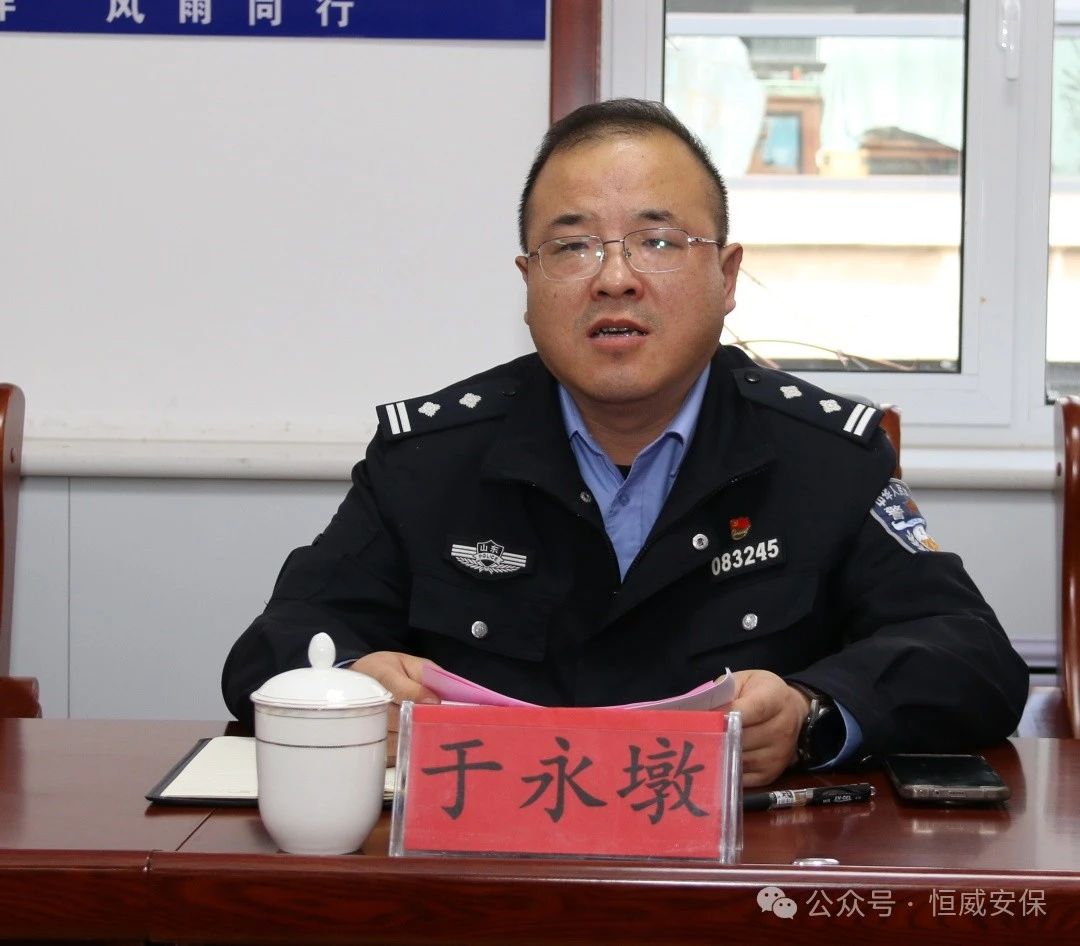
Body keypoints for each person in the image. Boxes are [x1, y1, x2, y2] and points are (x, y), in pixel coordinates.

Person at [222, 98, 1028, 786]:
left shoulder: (825, 457)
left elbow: (971, 657)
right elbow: (275, 644)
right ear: (529, 283)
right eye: (572, 246)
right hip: (491, 867)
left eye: (659, 241)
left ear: (727, 278)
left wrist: (811, 714)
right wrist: (353, 688)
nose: (615, 278)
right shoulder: (431, 458)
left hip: (735, 875)